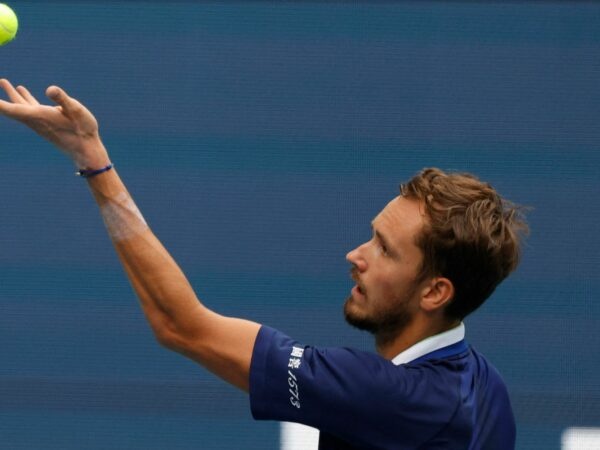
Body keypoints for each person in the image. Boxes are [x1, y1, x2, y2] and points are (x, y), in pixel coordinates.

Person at [0, 79, 528, 449]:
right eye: (372, 236)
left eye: (384, 250)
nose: (356, 256)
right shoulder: (488, 389)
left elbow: (180, 324)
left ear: (435, 293)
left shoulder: (389, 395)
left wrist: (93, 160)